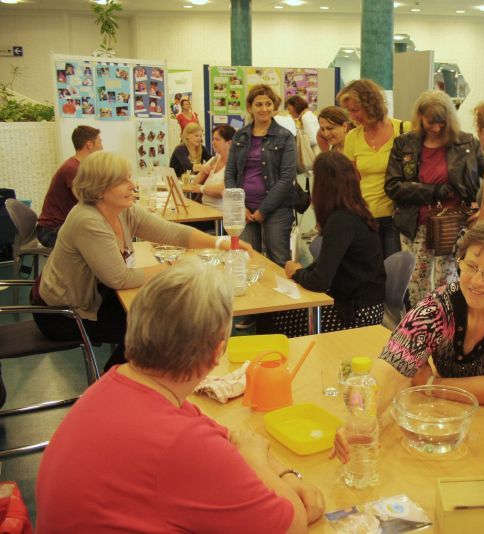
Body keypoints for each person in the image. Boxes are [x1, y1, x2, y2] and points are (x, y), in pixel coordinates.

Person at [36, 258, 324, 533]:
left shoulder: (121, 382)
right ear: (216, 354)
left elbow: (230, 438)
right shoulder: (181, 444)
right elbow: (290, 525)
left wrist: (285, 476)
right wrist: (259, 462)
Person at [332, 217, 484, 463]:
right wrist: (362, 420)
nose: (475, 281)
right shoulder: (441, 304)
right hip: (466, 418)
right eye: (470, 266)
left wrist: (431, 382)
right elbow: (395, 364)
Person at [30, 152, 252, 372]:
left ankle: (128, 380)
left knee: (159, 316)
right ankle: (114, 382)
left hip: (95, 297)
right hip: (64, 314)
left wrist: (219, 242)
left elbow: (170, 232)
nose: (132, 185)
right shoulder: (88, 221)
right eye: (123, 181)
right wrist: (172, 268)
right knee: (154, 328)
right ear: (99, 189)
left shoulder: (122, 210)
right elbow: (119, 278)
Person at [385, 90, 484, 307]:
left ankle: (447, 323)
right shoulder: (404, 143)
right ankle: (420, 323)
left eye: (441, 123)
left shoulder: (466, 143)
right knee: (416, 282)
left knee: (449, 279)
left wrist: (483, 207)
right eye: (430, 123)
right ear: (419, 117)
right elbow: (393, 186)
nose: (435, 128)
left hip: (452, 225)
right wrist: (433, 191)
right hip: (415, 224)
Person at [274, 151, 386, 337]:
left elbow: (320, 281)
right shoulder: (354, 212)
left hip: (357, 312)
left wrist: (296, 272)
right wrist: (302, 272)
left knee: (275, 317)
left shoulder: (341, 221)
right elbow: (324, 267)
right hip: (364, 304)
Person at [225, 84, 296, 266]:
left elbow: (287, 178)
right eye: (258, 104)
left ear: (274, 107)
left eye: (268, 104)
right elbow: (230, 174)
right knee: (247, 260)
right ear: (250, 108)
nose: (264, 109)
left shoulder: (285, 137)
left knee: (278, 261)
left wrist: (263, 210)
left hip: (277, 209)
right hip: (244, 209)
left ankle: (280, 296)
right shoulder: (239, 136)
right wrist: (239, 206)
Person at [339, 79, 409, 259]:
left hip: (398, 217)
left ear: (371, 104)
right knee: (372, 273)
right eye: (349, 111)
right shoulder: (352, 137)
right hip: (366, 218)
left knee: (396, 276)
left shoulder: (404, 130)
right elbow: (352, 180)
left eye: (355, 110)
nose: (352, 116)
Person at [36, 126, 103, 248]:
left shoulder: (77, 166)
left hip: (59, 226)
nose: (102, 147)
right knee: (101, 238)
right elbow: (86, 201)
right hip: (51, 231)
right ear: (89, 145)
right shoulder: (73, 169)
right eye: (100, 141)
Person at [195, 124, 235, 210]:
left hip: (220, 213)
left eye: (217, 139)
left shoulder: (235, 164)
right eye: (213, 139)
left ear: (229, 143)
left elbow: (223, 190)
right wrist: (204, 171)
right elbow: (195, 183)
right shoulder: (214, 159)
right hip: (204, 209)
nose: (213, 142)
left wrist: (202, 188)